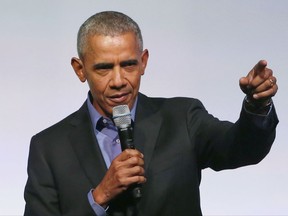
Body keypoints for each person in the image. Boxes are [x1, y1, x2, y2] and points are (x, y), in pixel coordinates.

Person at [24, 11, 279, 216]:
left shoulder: (183, 118)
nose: (118, 80)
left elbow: (242, 148)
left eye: (128, 65)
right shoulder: (48, 148)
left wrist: (257, 105)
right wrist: (99, 197)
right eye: (103, 68)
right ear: (80, 70)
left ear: (143, 61)